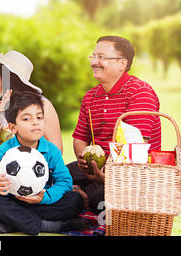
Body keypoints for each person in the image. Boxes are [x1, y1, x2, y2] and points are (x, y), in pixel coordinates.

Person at [68, 35, 161, 213]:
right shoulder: (90, 97)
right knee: (54, 176)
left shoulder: (140, 93)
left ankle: (82, 198)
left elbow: (135, 151)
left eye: (101, 57)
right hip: (97, 168)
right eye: (93, 56)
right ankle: (79, 197)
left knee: (101, 197)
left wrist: (104, 176)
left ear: (122, 64)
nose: (94, 62)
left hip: (132, 174)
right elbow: (80, 138)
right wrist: (86, 163)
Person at [0, 50, 63, 208]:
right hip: (4, 166)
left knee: (55, 194)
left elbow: (57, 148)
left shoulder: (43, 105)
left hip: (38, 166)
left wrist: (29, 171)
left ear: (7, 78)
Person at [0, 91, 85, 235]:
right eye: (26, 119)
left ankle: (16, 223)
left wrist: (44, 197)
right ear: (13, 128)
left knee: (75, 200)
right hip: (15, 202)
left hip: (42, 202)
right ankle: (51, 226)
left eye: (39, 117)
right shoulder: (4, 151)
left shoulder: (51, 150)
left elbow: (65, 182)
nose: (35, 122)